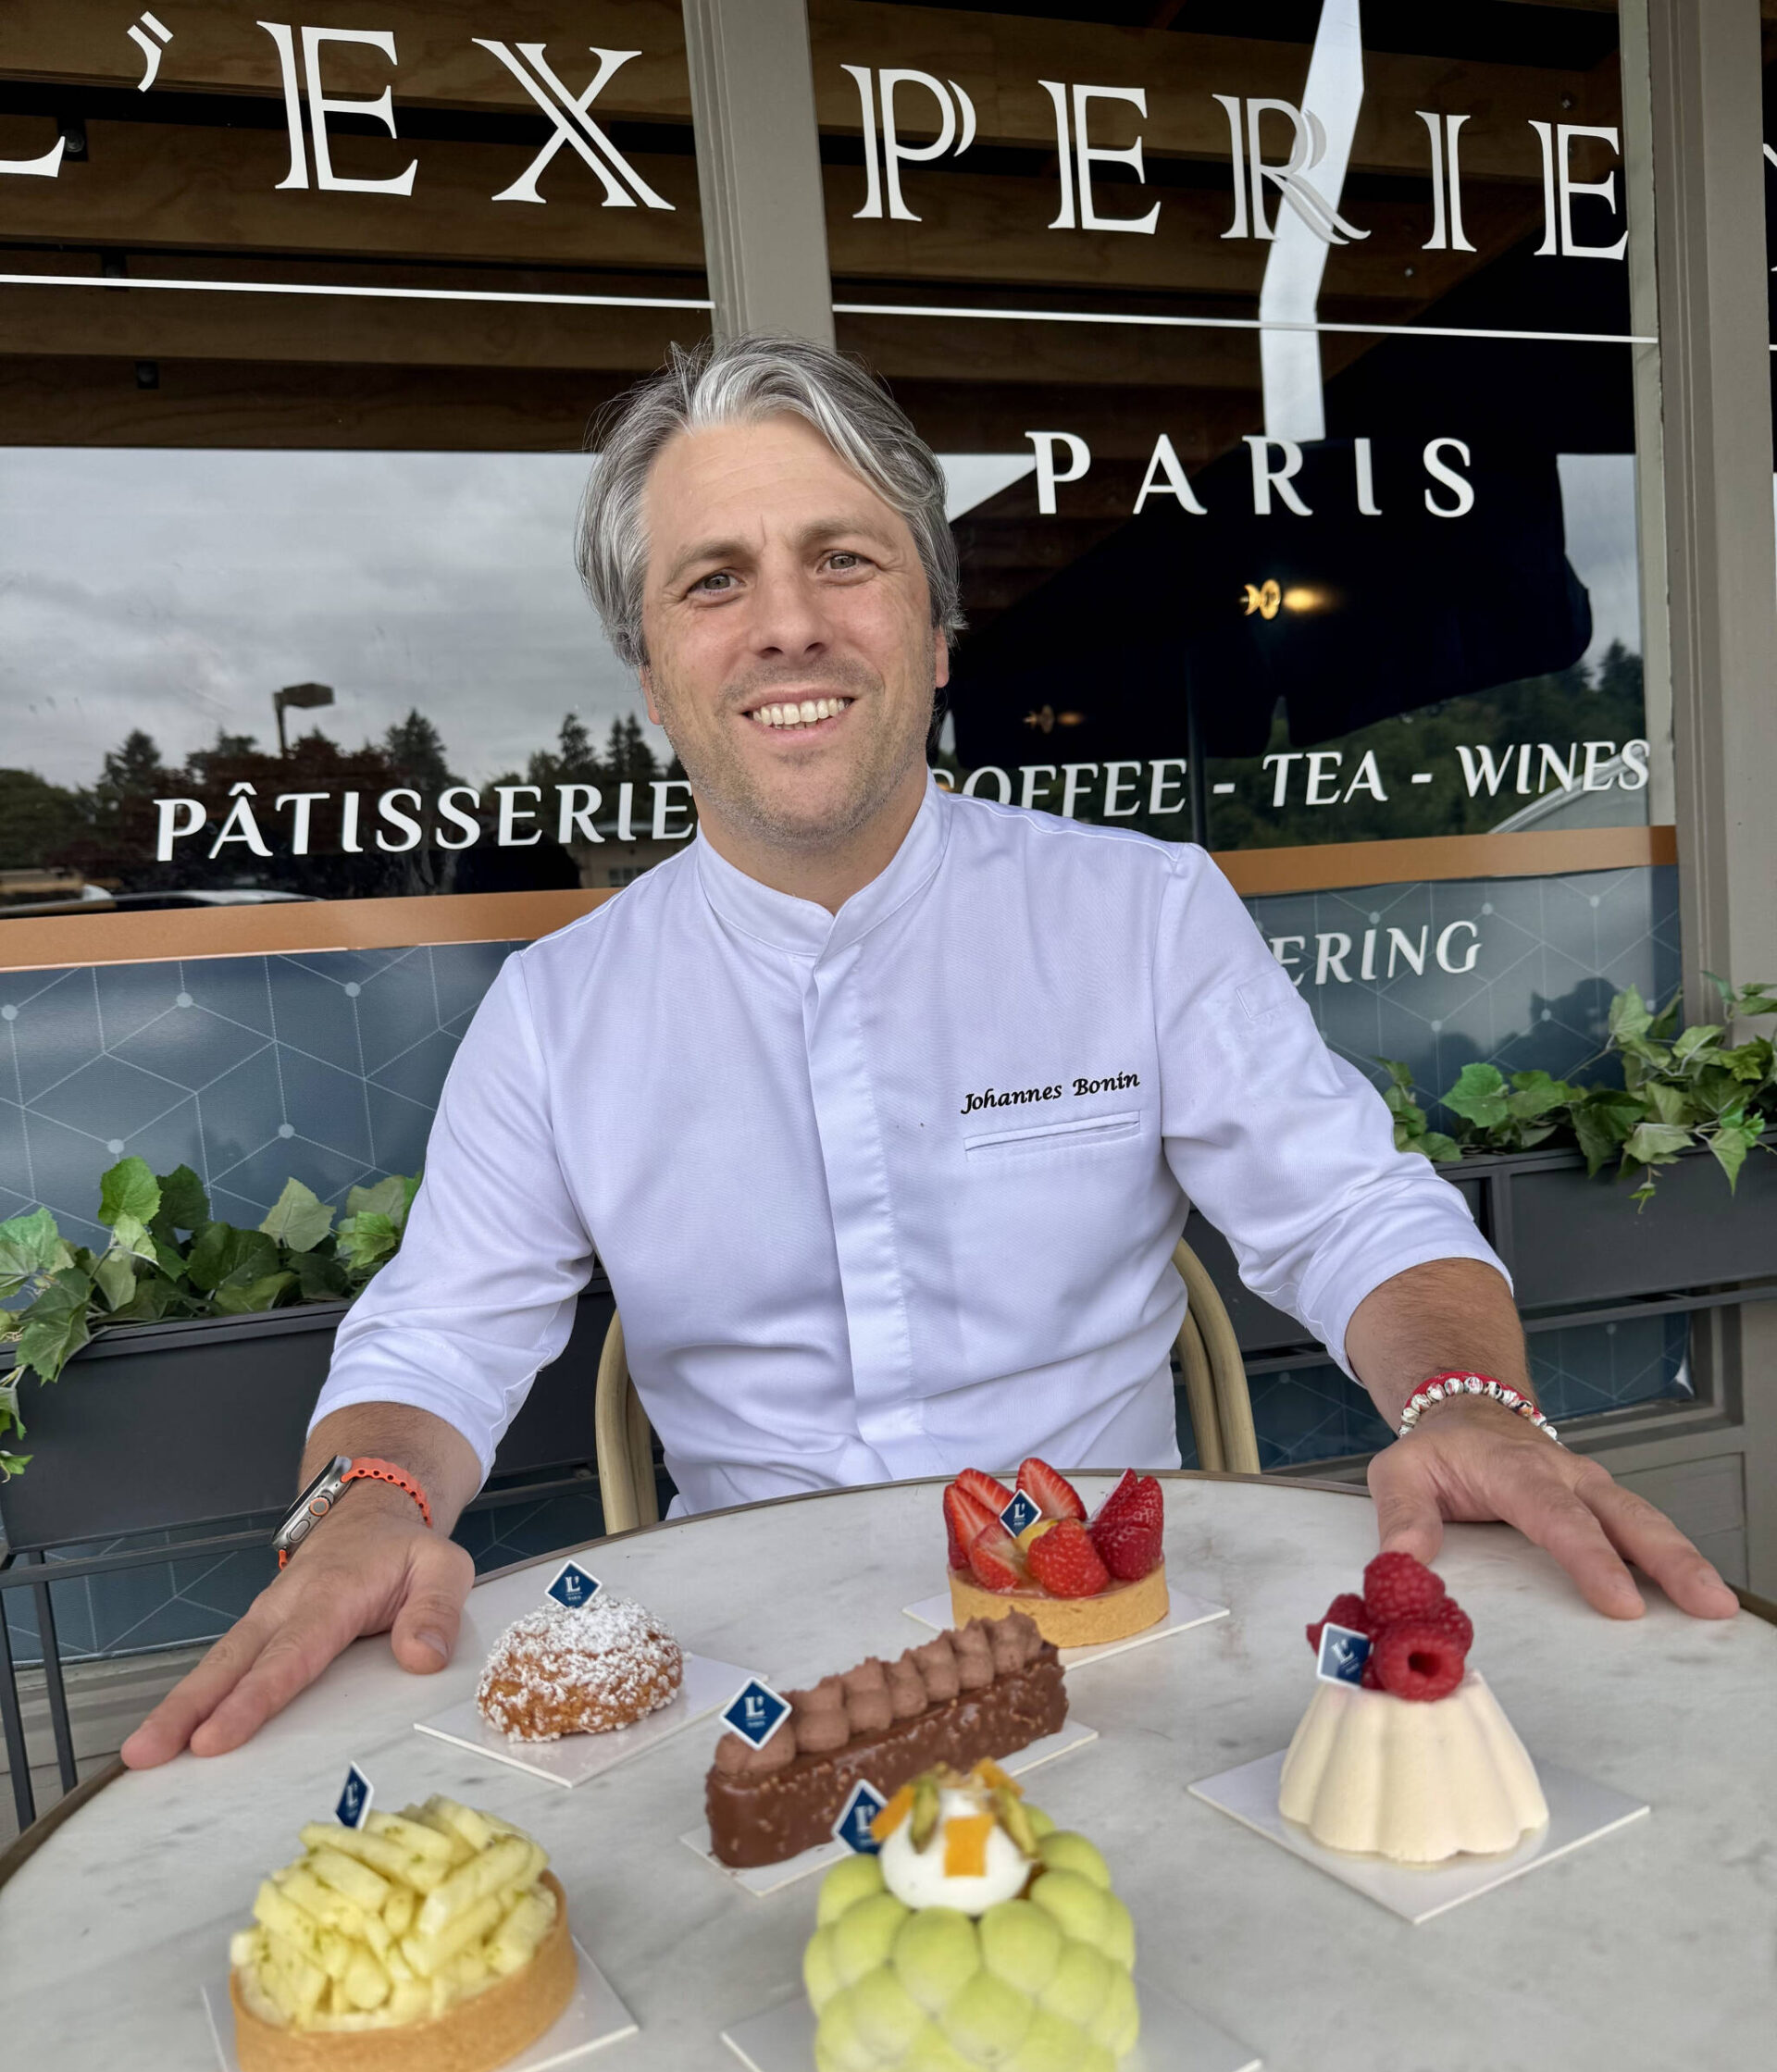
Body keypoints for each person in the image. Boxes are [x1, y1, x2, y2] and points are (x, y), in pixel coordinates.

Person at [123, 335, 1736, 1769]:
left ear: (939, 631)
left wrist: (1468, 1398)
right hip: (757, 1692)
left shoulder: (1143, 916)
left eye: (844, 559)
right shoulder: (559, 1013)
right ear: (655, 681)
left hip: (1125, 1653)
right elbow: (434, 1344)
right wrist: (368, 1507)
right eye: (714, 580)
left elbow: (1351, 1214)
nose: (787, 627)